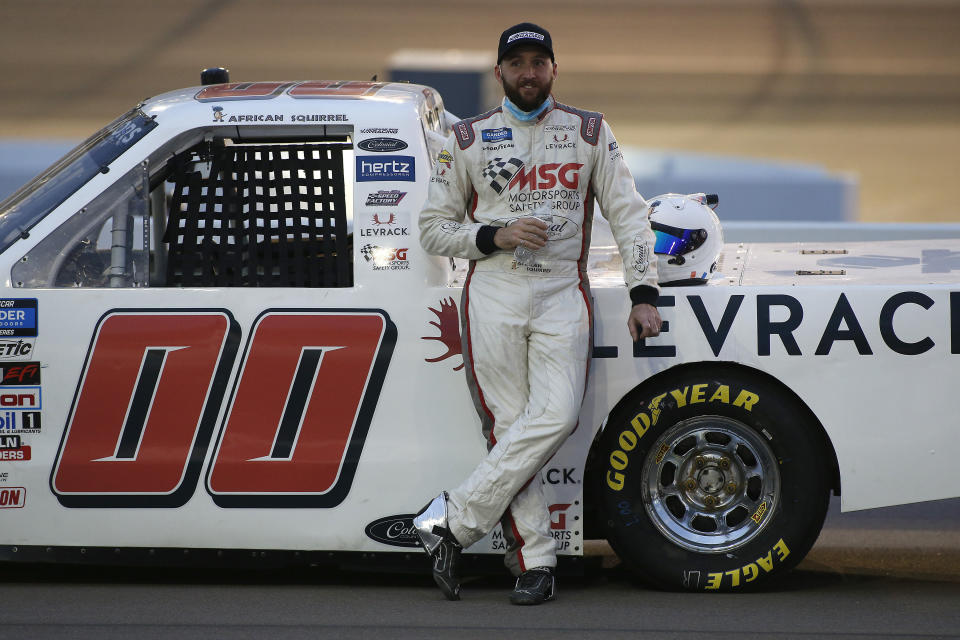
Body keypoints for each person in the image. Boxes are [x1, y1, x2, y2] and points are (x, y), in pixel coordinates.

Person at [413, 22, 662, 605]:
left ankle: (452, 521)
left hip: (560, 294)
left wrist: (642, 291)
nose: (528, 73)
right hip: (493, 294)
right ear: (499, 72)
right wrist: (495, 234)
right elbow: (431, 228)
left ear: (555, 69)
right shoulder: (469, 138)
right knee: (508, 427)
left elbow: (630, 214)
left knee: (555, 416)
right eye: (517, 63)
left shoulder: (590, 131)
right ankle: (535, 565)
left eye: (538, 62)